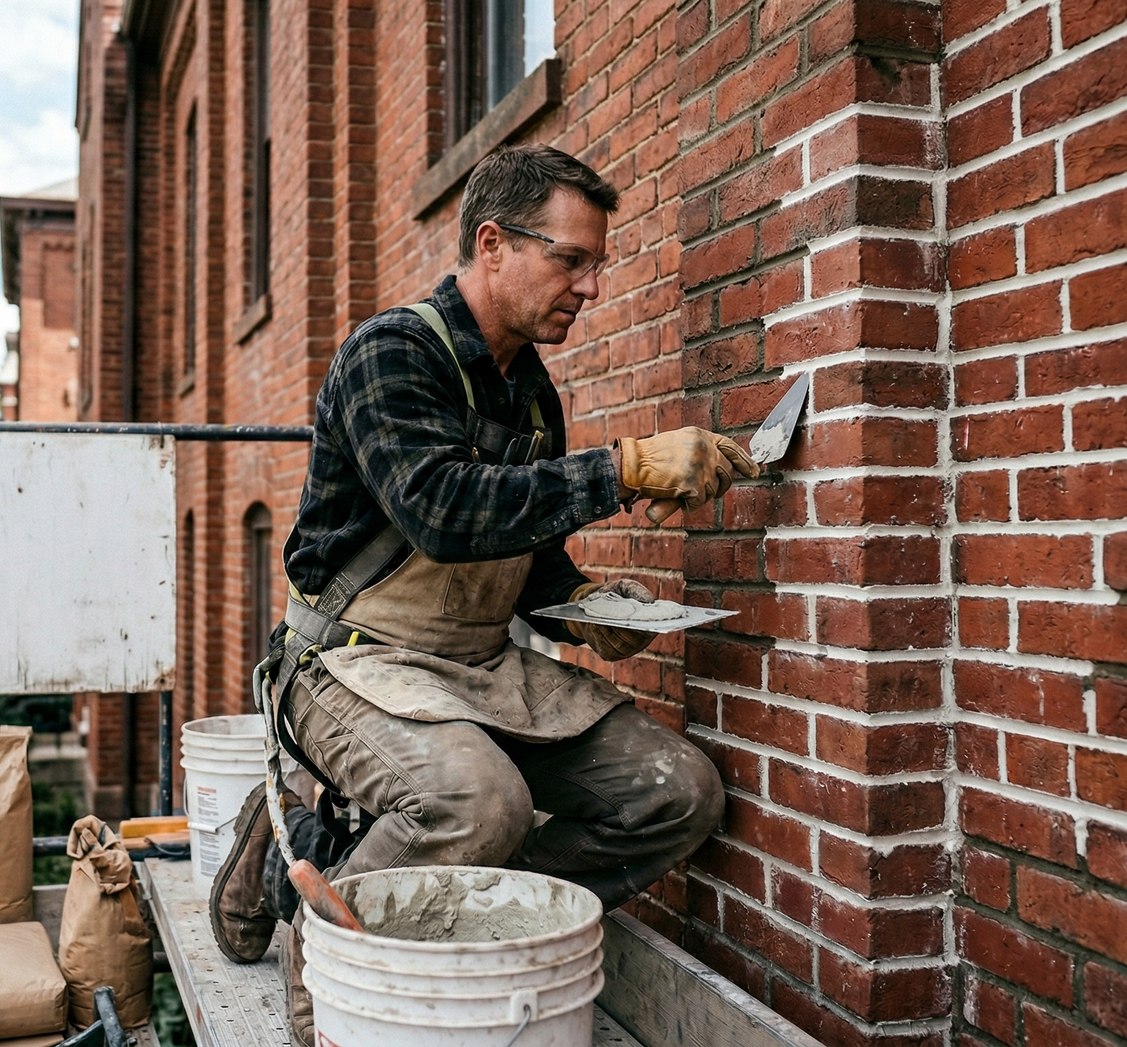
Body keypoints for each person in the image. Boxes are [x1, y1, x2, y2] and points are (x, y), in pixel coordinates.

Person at [208, 145, 758, 1042]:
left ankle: (434, 904)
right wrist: (622, 469)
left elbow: (527, 563)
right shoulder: (391, 354)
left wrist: (586, 607)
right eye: (570, 259)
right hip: (350, 664)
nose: (588, 285)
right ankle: (336, 996)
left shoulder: (534, 395)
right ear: (493, 242)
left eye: (596, 263)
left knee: (676, 791)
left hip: (477, 669)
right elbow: (441, 511)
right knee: (480, 804)